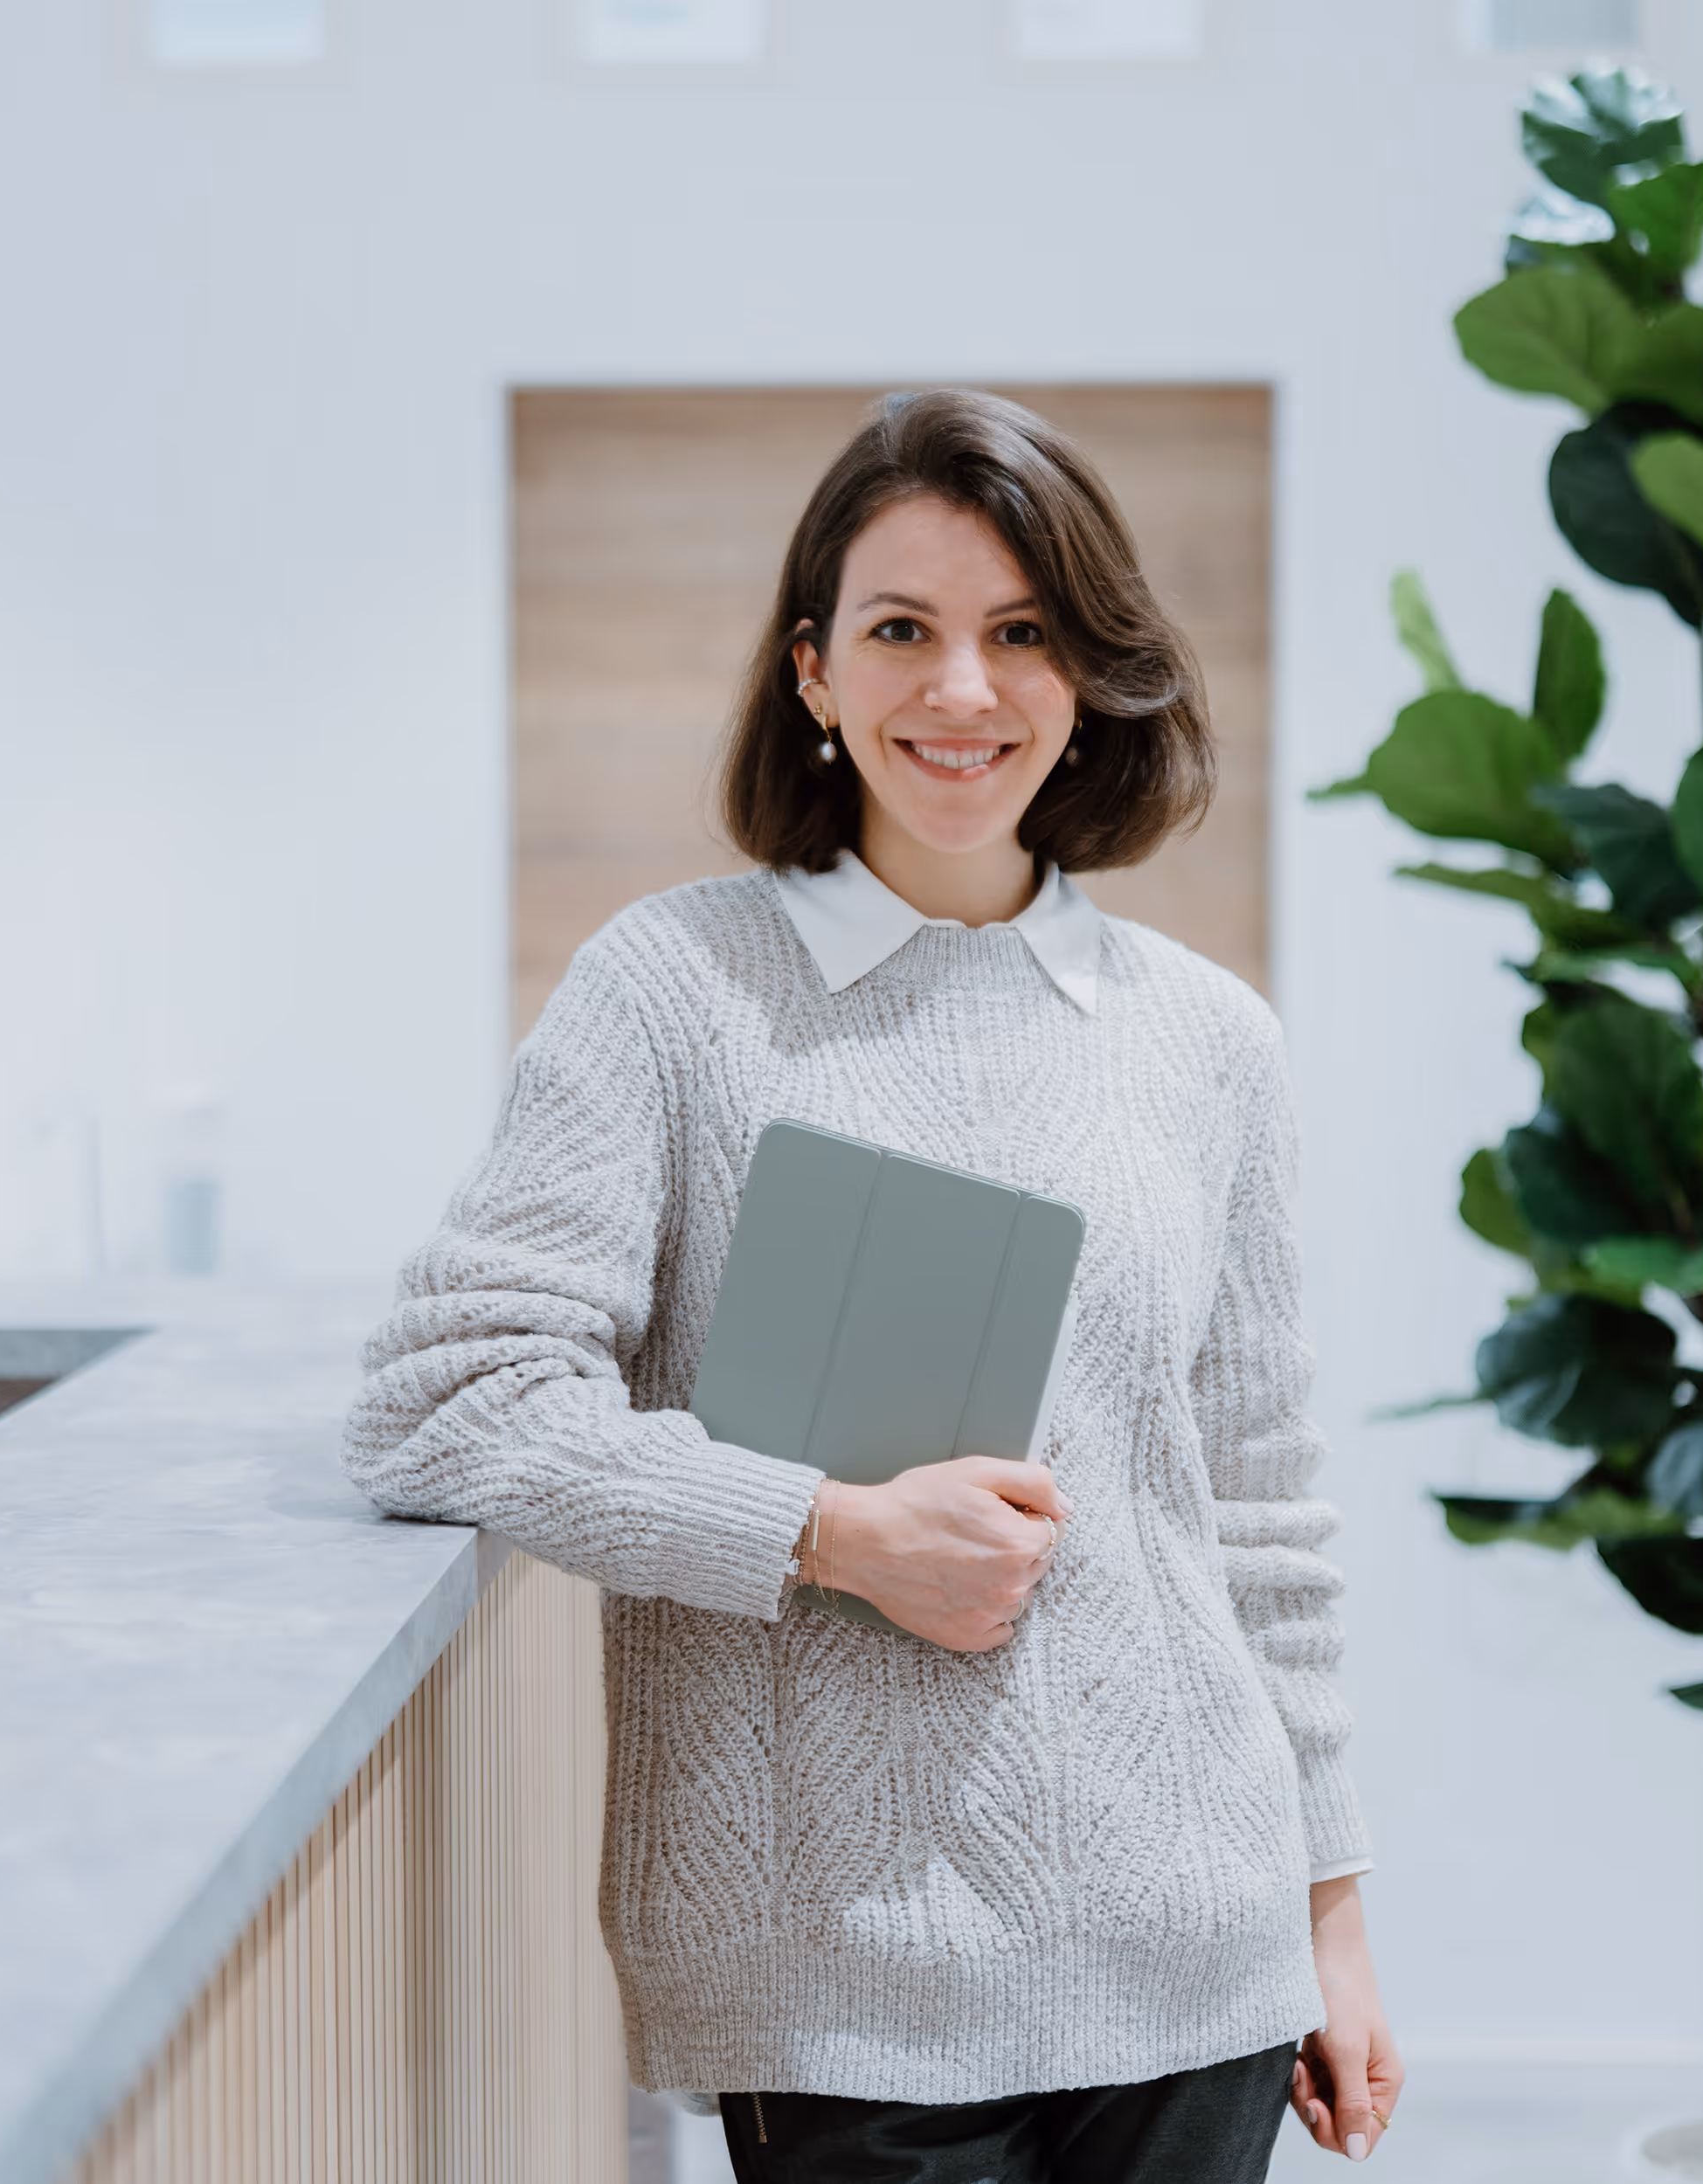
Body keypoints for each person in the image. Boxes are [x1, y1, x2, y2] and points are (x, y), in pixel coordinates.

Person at [346, 388, 1401, 2180]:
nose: (962, 690)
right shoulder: (671, 991)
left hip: (1194, 1946)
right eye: (901, 630)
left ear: (1088, 675)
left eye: (1021, 633)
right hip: (841, 1981)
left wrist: (1330, 1912)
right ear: (813, 672)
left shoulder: (1206, 1039)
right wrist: (824, 1530)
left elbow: (1259, 1512)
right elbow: (445, 1396)